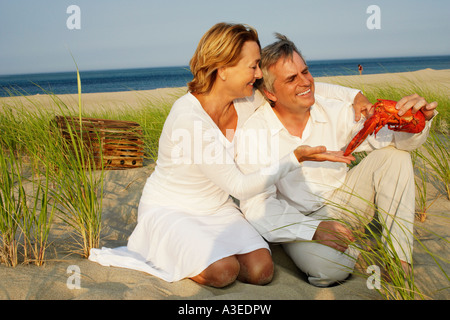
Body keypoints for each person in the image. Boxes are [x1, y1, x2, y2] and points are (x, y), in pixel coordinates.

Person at [89, 23, 369, 288]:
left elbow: (294, 87)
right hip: (173, 209)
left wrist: (354, 95)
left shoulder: (245, 100)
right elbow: (238, 186)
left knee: (261, 271)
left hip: (219, 208)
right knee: (224, 271)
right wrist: (294, 157)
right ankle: (164, 248)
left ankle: (201, 251)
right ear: (223, 69)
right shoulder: (189, 119)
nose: (259, 74)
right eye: (253, 66)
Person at [236, 33, 438, 287]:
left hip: (345, 200)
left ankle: (400, 262)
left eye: (305, 71)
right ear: (270, 93)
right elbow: (257, 206)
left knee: (395, 157)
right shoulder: (254, 132)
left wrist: (417, 122)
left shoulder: (334, 110)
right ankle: (349, 250)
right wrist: (315, 229)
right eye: (291, 78)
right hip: (300, 217)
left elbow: (394, 140)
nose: (305, 82)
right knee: (331, 269)